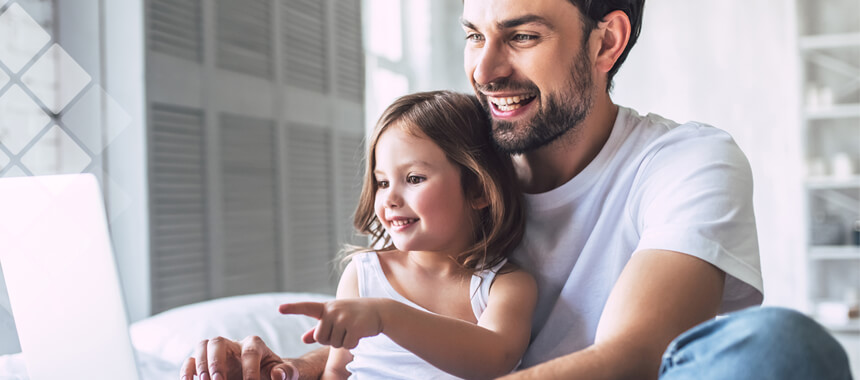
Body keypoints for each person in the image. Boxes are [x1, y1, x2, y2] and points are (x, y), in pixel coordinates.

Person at [180, 0, 854, 379]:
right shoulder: (445, 178)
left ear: (606, 40)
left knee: (780, 349)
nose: (485, 68)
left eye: (522, 36)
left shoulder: (686, 160)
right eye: (474, 36)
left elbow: (635, 358)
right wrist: (277, 371)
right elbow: (366, 354)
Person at [278, 90, 536, 379]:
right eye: (382, 182)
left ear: (479, 190)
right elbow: (337, 371)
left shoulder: (506, 286)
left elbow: (495, 357)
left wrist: (386, 316)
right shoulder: (363, 276)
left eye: (414, 179)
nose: (390, 198)